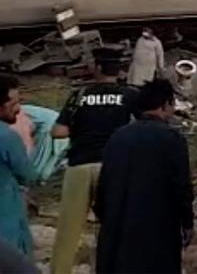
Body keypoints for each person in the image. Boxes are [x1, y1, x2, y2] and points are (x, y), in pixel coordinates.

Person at [50, 48, 138, 274]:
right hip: (112, 168)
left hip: (79, 166)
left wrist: (82, 131)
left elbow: (58, 131)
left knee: (68, 231)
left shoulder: (80, 95)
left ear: (97, 68)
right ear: (119, 70)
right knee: (112, 228)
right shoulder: (129, 96)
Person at [94, 79, 193, 274]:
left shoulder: (118, 137)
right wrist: (187, 223)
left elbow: (103, 185)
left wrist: (107, 218)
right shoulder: (172, 139)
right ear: (166, 104)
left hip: (119, 229)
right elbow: (181, 187)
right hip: (158, 231)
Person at [1, 75, 36, 261]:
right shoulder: (7, 137)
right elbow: (28, 173)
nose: (18, 109)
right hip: (6, 216)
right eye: (13, 103)